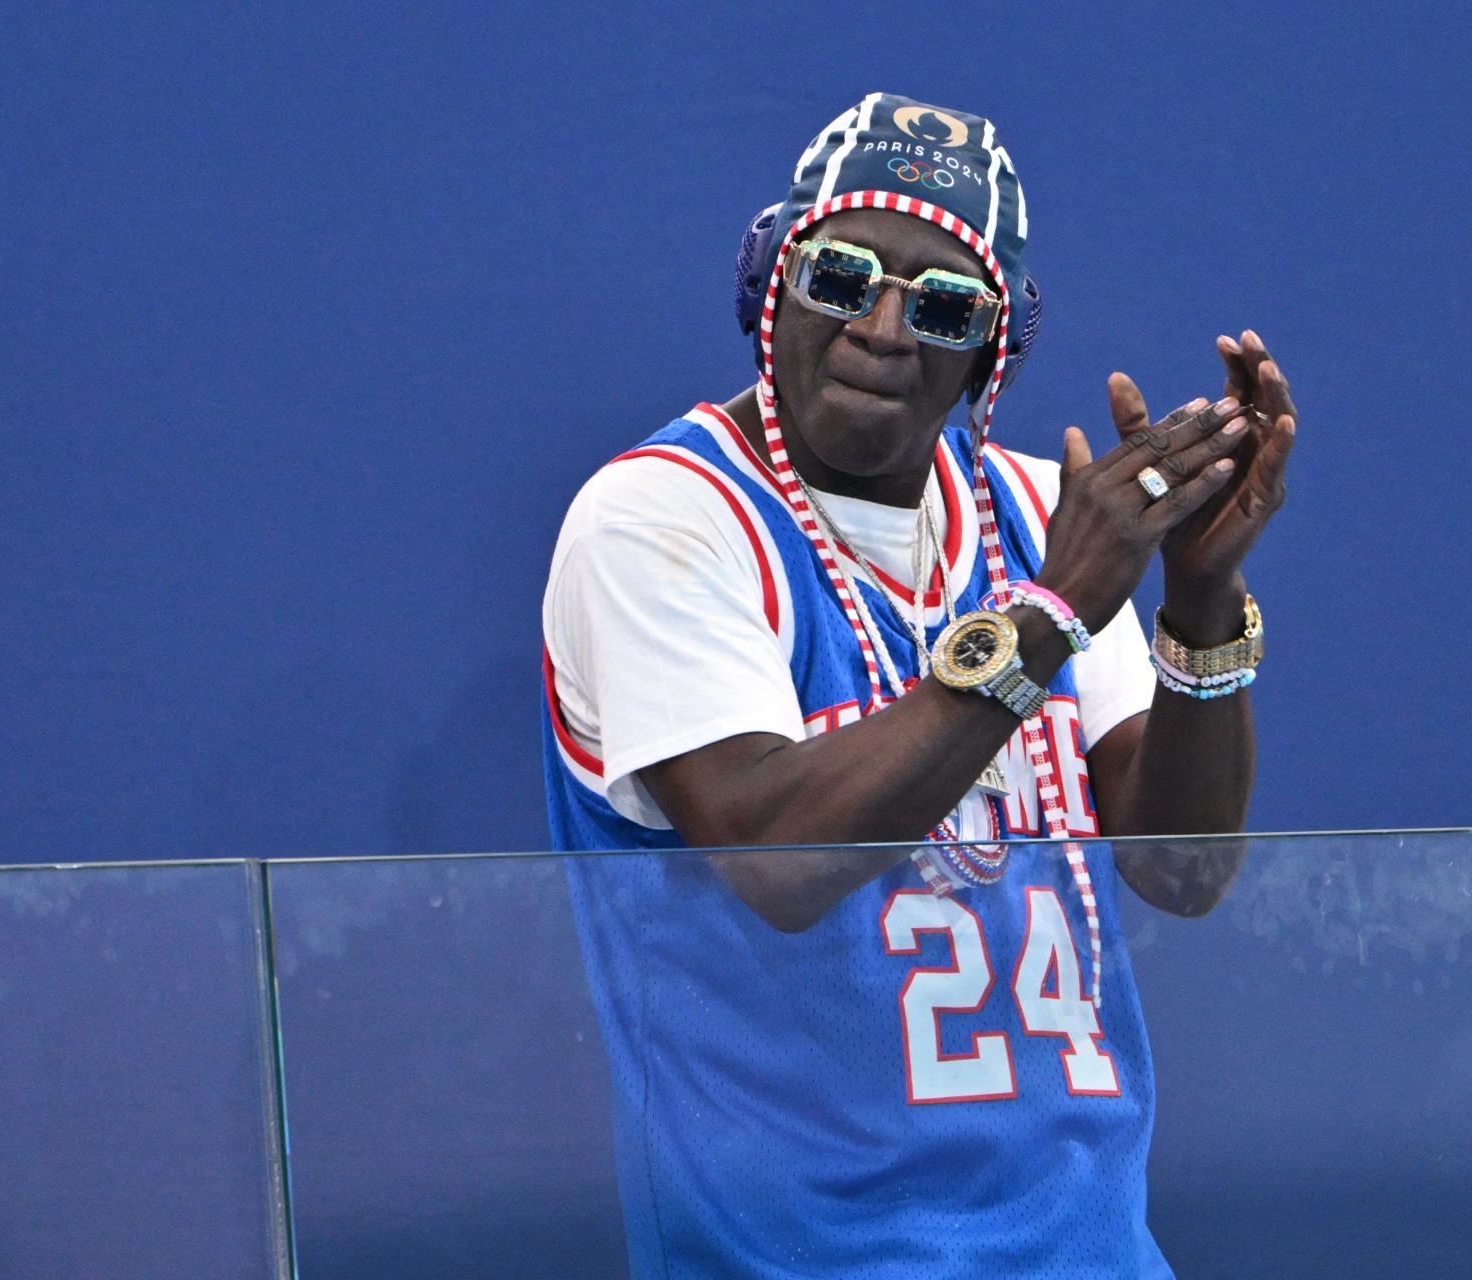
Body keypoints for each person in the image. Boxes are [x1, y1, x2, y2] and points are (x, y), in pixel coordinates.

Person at [542, 92, 1296, 1278]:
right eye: (842, 277)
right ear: (770, 282)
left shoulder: (1041, 510)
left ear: (992, 345)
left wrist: (1195, 605)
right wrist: (1049, 613)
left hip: (1092, 1252)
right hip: (799, 1257)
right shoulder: (663, 518)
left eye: (941, 304)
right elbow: (776, 856)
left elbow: (1179, 867)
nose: (884, 329)